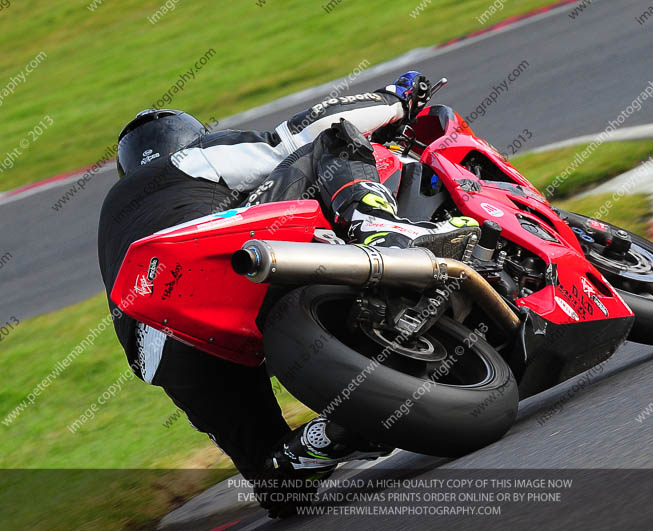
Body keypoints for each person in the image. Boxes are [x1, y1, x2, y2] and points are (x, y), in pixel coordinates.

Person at [97, 72, 479, 517]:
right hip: (213, 260)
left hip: (158, 346)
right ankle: (380, 229)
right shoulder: (187, 161)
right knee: (333, 141)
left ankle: (324, 439)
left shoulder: (114, 222)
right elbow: (299, 133)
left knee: (275, 482)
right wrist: (395, 100)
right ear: (187, 140)